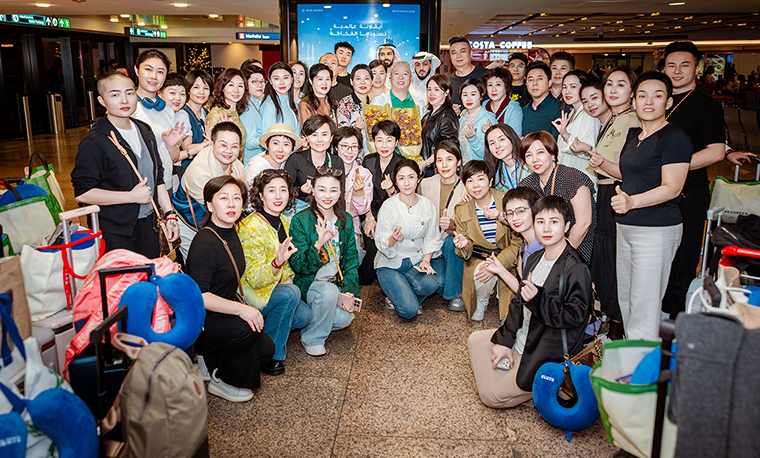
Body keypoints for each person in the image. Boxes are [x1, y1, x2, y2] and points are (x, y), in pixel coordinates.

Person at [589, 72, 691, 340]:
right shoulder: (635, 135)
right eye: (643, 95)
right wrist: (601, 163)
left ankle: (641, 362)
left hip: (656, 228)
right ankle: (630, 353)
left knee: (644, 305)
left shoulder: (674, 137)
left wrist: (632, 201)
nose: (649, 101)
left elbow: (673, 187)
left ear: (668, 102)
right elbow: (627, 173)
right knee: (627, 299)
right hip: (627, 226)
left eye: (657, 96)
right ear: (634, 101)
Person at [467, 195, 592, 409]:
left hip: (544, 345)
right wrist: (506, 342)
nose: (546, 228)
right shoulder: (534, 258)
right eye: (540, 222)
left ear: (566, 226)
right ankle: (531, 386)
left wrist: (537, 299)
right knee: (475, 340)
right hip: (524, 334)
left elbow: (576, 317)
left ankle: (540, 387)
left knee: (491, 397)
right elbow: (518, 302)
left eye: (554, 222)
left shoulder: (576, 267)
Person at [73, 71, 179, 258]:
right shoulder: (95, 141)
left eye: (129, 93)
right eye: (115, 95)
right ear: (102, 100)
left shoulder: (144, 130)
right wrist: (130, 197)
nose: (124, 100)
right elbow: (83, 193)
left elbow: (158, 177)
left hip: (150, 226)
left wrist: (170, 214)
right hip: (116, 232)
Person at [186, 176, 275, 402]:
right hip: (201, 321)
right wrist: (242, 309)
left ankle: (210, 358)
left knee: (266, 350)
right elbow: (200, 296)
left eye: (237, 198)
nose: (231, 204)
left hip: (221, 312)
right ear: (209, 205)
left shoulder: (230, 231)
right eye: (223, 198)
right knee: (246, 328)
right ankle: (223, 381)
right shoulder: (205, 243)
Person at [660, 41, 726, 320]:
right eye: (671, 65)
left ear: (697, 68)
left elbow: (716, 151)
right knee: (660, 257)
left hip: (689, 193)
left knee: (683, 257)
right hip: (658, 192)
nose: (677, 71)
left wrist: (674, 167)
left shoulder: (706, 104)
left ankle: (676, 321)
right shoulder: (657, 100)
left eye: (684, 65)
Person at [584, 67, 639, 340]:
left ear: (632, 90)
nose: (613, 90)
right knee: (605, 260)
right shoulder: (613, 119)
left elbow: (630, 170)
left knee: (617, 264)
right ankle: (608, 318)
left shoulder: (633, 121)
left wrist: (601, 162)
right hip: (605, 193)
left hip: (619, 194)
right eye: (609, 84)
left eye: (621, 84)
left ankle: (618, 329)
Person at [238, 169, 309, 376]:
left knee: (304, 315)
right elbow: (254, 279)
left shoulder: (284, 221)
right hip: (252, 295)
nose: (278, 196)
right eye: (271, 190)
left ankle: (258, 334)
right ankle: (269, 355)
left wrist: (285, 274)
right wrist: (277, 264)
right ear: (261, 195)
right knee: (290, 295)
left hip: (274, 288)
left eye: (283, 190)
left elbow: (288, 263)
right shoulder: (251, 226)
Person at [289, 167, 360, 356]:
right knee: (328, 292)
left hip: (334, 284)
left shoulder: (345, 219)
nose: (327, 196)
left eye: (333, 190)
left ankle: (315, 320)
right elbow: (298, 265)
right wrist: (318, 245)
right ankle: (312, 338)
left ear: (340, 192)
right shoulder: (301, 220)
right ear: (312, 190)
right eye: (322, 189)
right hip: (309, 284)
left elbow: (351, 260)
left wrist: (350, 291)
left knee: (345, 319)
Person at [452, 161, 521, 321]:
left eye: (480, 179)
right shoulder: (462, 209)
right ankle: (482, 299)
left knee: (509, 319)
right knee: (480, 274)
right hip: (480, 259)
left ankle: (498, 291)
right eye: (470, 180)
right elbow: (464, 250)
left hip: (507, 259)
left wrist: (498, 264)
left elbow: (518, 242)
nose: (475, 185)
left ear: (490, 181)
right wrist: (465, 245)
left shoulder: (506, 201)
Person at [375, 158, 443, 319]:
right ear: (395, 181)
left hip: (415, 261)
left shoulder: (427, 205)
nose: (407, 183)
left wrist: (426, 260)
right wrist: (393, 238)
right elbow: (381, 240)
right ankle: (399, 292)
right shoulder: (389, 206)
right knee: (409, 311)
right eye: (401, 178)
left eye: (411, 177)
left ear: (418, 178)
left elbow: (432, 237)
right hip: (390, 264)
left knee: (431, 285)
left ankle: (401, 291)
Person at [519, 131, 596, 264]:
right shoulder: (527, 184)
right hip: (544, 247)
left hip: (577, 246)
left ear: (553, 154)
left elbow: (584, 223)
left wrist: (561, 255)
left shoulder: (572, 178)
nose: (534, 159)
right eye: (528, 155)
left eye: (540, 152)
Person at [172, 122, 246, 256]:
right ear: (212, 143)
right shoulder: (200, 172)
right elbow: (215, 209)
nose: (229, 151)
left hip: (219, 220)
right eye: (223, 145)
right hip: (190, 222)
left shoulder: (237, 166)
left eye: (234, 146)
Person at [417, 140, 467, 311]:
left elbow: (472, 228)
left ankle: (456, 294)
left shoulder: (468, 189)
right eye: (439, 160)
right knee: (438, 284)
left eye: (449, 159)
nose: (444, 165)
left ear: (459, 162)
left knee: (451, 242)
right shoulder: (425, 184)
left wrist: (453, 226)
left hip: (452, 249)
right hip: (430, 248)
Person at [359, 120, 404, 285]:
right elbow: (363, 194)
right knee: (372, 248)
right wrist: (369, 218)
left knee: (384, 245)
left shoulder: (402, 164)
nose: (384, 145)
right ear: (374, 142)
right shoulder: (368, 161)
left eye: (389, 140)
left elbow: (404, 201)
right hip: (369, 212)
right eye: (379, 140)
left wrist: (391, 190)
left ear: (396, 142)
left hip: (393, 215)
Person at [131, 49, 180, 192]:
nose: (154, 76)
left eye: (160, 72)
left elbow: (174, 157)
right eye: (148, 69)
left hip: (165, 182)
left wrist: (170, 145)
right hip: (137, 186)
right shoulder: (127, 108)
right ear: (136, 70)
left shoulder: (167, 110)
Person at [284, 115, 345, 209]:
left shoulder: (336, 162)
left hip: (329, 211)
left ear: (331, 137)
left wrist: (341, 217)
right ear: (307, 138)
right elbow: (284, 191)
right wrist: (301, 190)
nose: (319, 140)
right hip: (301, 212)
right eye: (314, 135)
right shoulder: (296, 159)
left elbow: (341, 194)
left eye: (324, 135)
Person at [334, 127, 373, 263]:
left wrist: (359, 193)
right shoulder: (327, 170)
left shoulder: (363, 174)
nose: (349, 151)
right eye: (344, 146)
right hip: (326, 223)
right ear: (336, 147)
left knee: (352, 260)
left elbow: (363, 210)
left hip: (350, 225)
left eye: (354, 147)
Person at [554, 70, 601, 184]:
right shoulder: (571, 114)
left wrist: (566, 135)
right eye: (564, 87)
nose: (567, 91)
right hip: (567, 179)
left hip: (581, 180)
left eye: (573, 86)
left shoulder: (589, 114)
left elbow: (589, 151)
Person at [420, 74, 459, 175]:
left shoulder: (447, 115)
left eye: (436, 89)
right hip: (426, 167)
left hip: (436, 169)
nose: (431, 93)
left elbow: (448, 146)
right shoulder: (428, 114)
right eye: (429, 89)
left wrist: (426, 162)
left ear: (446, 92)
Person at [206, 68, 248, 160]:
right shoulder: (217, 115)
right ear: (222, 87)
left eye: (240, 86)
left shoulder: (234, 112)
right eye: (231, 85)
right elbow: (210, 151)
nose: (236, 90)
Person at [336, 64, 373, 162]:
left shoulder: (374, 104)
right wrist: (356, 129)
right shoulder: (345, 103)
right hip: (351, 158)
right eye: (358, 79)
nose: (362, 82)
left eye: (366, 78)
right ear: (351, 81)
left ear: (372, 82)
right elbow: (341, 136)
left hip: (372, 158)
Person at [458, 79, 497, 162]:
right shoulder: (461, 119)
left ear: (481, 96)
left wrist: (473, 139)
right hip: (464, 168)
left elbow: (492, 153)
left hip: (481, 168)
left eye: (473, 94)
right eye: (465, 95)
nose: (468, 99)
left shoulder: (488, 118)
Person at [484, 123, 530, 192]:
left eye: (502, 139)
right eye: (492, 143)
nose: (497, 146)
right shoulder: (496, 173)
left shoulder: (529, 162)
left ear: (512, 138)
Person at [522, 62, 561, 139]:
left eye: (539, 79)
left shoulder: (558, 108)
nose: (534, 83)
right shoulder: (524, 110)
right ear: (526, 84)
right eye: (530, 80)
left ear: (549, 83)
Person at [260, 62, 299, 139]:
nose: (281, 82)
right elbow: (267, 138)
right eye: (276, 78)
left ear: (292, 79)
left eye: (285, 78)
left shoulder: (294, 104)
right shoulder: (269, 106)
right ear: (270, 81)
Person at [182, 70, 213, 165]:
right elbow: (186, 147)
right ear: (188, 90)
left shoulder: (207, 113)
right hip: (189, 166)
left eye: (206, 88)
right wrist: (209, 144)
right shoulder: (183, 113)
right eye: (196, 87)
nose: (201, 92)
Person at [447, 36, 487, 109]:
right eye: (454, 53)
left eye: (462, 51)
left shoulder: (486, 76)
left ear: (471, 54)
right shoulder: (447, 82)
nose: (458, 56)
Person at [483, 67, 522, 136]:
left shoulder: (514, 109)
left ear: (506, 87)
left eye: (498, 84)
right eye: (490, 85)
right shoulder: (484, 105)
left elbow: (514, 138)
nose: (493, 89)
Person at [240, 64, 267, 163]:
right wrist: (269, 138)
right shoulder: (246, 107)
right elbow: (248, 143)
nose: (260, 85)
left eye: (262, 81)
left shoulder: (256, 102)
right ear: (245, 84)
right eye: (254, 81)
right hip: (251, 161)